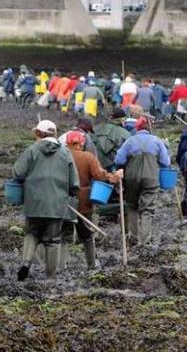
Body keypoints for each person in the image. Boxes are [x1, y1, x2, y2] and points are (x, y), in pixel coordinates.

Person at [13, 120, 79, 280]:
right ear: (54, 134)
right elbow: (74, 183)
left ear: (38, 134)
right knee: (53, 241)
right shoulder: (65, 152)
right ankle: (50, 277)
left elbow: (17, 172)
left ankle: (26, 263)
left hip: (34, 203)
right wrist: (68, 192)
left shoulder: (32, 150)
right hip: (56, 205)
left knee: (31, 233)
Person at [64, 131, 120, 269]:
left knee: (63, 234)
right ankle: (92, 264)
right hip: (83, 200)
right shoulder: (88, 157)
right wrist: (113, 177)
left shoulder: (60, 157)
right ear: (82, 143)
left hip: (62, 199)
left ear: (67, 143)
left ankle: (61, 265)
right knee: (87, 235)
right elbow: (99, 175)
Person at [113, 116, 171, 244]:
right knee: (147, 210)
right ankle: (145, 241)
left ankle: (133, 237)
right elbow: (166, 162)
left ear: (137, 128)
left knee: (132, 206)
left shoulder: (129, 141)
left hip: (131, 178)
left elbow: (118, 160)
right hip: (150, 178)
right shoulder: (157, 141)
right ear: (149, 127)